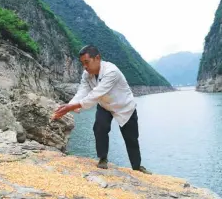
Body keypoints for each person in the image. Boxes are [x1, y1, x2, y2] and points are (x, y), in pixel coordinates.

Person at [52, 45, 152, 174]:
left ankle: (137, 167)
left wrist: (73, 106)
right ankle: (103, 159)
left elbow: (95, 94)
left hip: (124, 106)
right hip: (104, 105)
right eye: (82, 63)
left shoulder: (111, 71)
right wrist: (70, 105)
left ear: (97, 58)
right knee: (99, 128)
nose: (85, 67)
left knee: (131, 138)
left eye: (87, 62)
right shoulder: (87, 74)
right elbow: (82, 91)